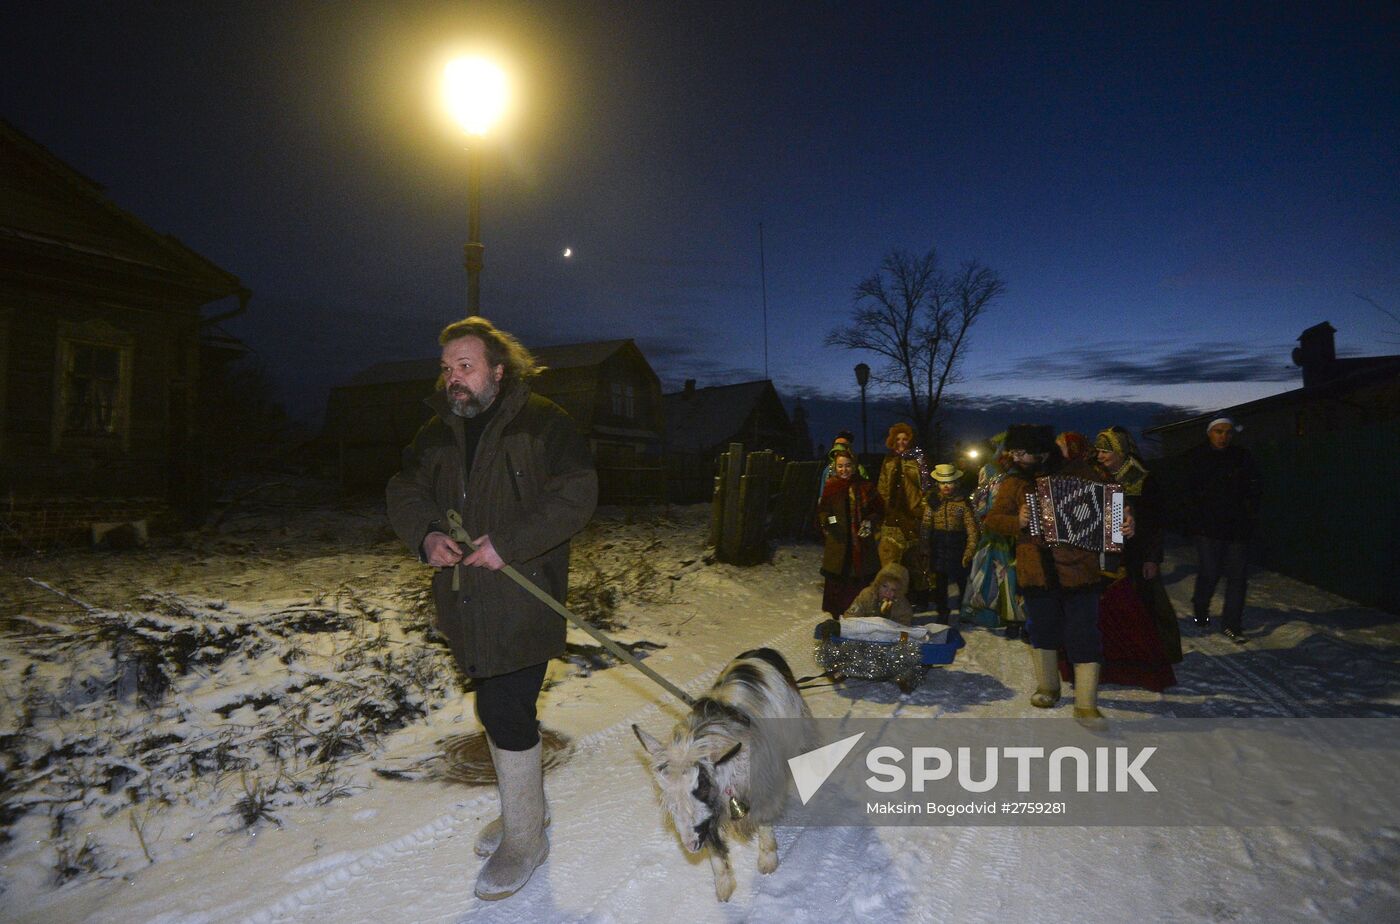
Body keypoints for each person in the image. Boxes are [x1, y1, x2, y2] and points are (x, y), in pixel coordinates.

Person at [386, 316, 598, 900]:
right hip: (463, 601)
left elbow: (577, 494)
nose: (452, 378)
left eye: (465, 366)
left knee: (504, 709)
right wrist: (427, 534)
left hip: (525, 594)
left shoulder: (544, 423)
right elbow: (404, 489)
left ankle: (527, 838)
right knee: (498, 708)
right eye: (446, 367)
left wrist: (510, 544)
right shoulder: (436, 432)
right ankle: (526, 810)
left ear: (498, 372)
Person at [983, 424, 1132, 727]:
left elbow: (1114, 507)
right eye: (1013, 451)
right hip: (1035, 569)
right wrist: (1017, 521)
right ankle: (1048, 686)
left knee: (1083, 632)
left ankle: (1086, 704)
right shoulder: (1013, 483)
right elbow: (993, 520)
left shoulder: (1080, 472)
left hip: (1079, 569)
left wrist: (1126, 522)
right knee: (1043, 628)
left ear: (1040, 451)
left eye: (1021, 451)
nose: (1015, 457)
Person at [1085, 426, 1180, 691]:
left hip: (1137, 554)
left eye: (1107, 451)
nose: (1101, 456)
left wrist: (1152, 558)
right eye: (1099, 451)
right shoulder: (1097, 475)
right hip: (1106, 553)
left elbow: (1156, 523)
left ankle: (1151, 660)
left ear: (1121, 451)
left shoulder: (1142, 478)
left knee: (1145, 606)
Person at [1184, 416, 1261, 644]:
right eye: (1219, 432)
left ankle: (1232, 625)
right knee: (1210, 572)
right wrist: (1195, 522)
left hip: (1237, 528)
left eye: (1228, 432)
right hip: (1207, 528)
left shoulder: (1241, 457)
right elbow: (1188, 493)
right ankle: (1200, 608)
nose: (1223, 436)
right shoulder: (1198, 458)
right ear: (1210, 433)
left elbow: (1254, 488)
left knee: (1238, 578)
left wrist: (1249, 513)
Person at [962, 437, 1028, 635]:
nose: (1008, 455)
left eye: (1014, 451)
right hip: (994, 532)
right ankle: (992, 613)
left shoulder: (1023, 474)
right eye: (1006, 451)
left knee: (1014, 575)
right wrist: (987, 519)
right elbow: (980, 499)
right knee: (991, 572)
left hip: (1018, 530)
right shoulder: (989, 470)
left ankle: (1016, 618)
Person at [817, 448, 884, 616]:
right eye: (840, 466)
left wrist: (869, 521)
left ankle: (862, 611)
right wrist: (832, 522)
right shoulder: (831, 486)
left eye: (847, 466)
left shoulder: (866, 487)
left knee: (860, 578)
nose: (844, 470)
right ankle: (837, 613)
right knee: (838, 578)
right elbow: (823, 510)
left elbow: (879, 509)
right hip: (838, 542)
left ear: (854, 466)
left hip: (861, 543)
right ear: (835, 467)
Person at [876, 423, 929, 605]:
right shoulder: (888, 460)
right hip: (892, 514)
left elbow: (925, 485)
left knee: (914, 559)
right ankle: (889, 598)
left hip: (912, 514)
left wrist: (921, 508)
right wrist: (881, 508)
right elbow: (882, 485)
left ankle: (917, 596)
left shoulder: (918, 459)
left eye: (904, 439)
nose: (901, 442)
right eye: (897, 439)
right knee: (890, 558)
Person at [924, 462, 978, 623]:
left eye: (949, 482)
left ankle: (964, 608)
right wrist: (924, 546)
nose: (946, 486)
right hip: (938, 545)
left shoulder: (963, 503)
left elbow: (971, 528)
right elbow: (925, 526)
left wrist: (970, 549)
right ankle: (942, 610)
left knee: (962, 579)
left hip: (958, 545)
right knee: (940, 581)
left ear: (956, 483)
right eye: (942, 483)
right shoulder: (932, 502)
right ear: (937, 484)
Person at [843, 562, 915, 626]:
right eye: (884, 586)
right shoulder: (866, 595)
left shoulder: (902, 605)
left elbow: (904, 628)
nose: (887, 592)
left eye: (893, 590)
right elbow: (850, 616)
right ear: (878, 585)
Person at [816, 429, 868, 496]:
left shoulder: (859, 469)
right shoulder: (828, 470)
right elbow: (823, 495)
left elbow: (866, 491)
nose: (844, 470)